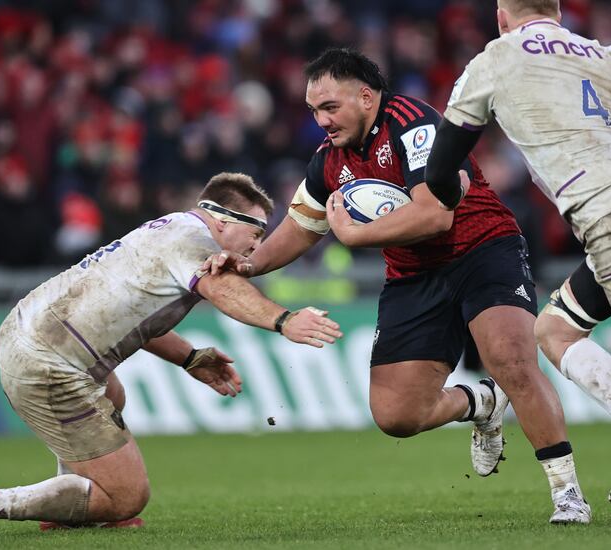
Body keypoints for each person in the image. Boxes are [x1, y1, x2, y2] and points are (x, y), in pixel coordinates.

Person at [211, 48, 591, 524]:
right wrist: (247, 264)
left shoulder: (414, 125)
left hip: (482, 250)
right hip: (414, 275)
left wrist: (354, 235)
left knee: (513, 362)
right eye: (314, 111)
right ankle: (481, 402)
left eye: (330, 107)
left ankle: (567, 494)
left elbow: (436, 213)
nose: (321, 121)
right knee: (396, 415)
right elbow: (301, 227)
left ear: (366, 97)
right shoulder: (328, 160)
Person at [425, 0, 611, 523]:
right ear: (557, 13)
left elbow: (441, 163)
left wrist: (446, 197)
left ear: (502, 16)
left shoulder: (494, 59)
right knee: (555, 330)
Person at [0, 172, 342, 537]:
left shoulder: (167, 228)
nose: (257, 247)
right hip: (47, 364)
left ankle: (65, 508)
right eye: (256, 233)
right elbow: (224, 290)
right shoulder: (196, 245)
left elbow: (132, 317)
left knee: (113, 395)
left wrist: (190, 357)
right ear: (222, 220)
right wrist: (284, 320)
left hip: (30, 331)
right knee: (126, 498)